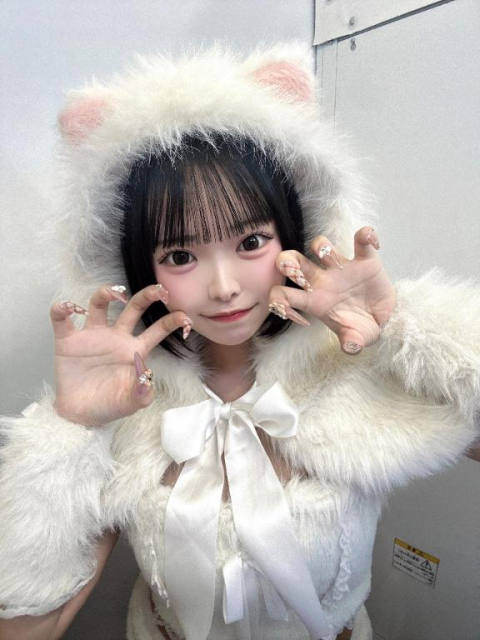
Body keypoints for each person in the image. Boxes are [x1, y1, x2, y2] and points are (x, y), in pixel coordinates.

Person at [0, 42, 479, 640]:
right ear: (139, 267)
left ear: (293, 233)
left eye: (251, 242)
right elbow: (30, 623)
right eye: (181, 255)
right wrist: (70, 429)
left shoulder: (354, 363)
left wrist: (405, 328)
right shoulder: (126, 402)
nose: (224, 286)